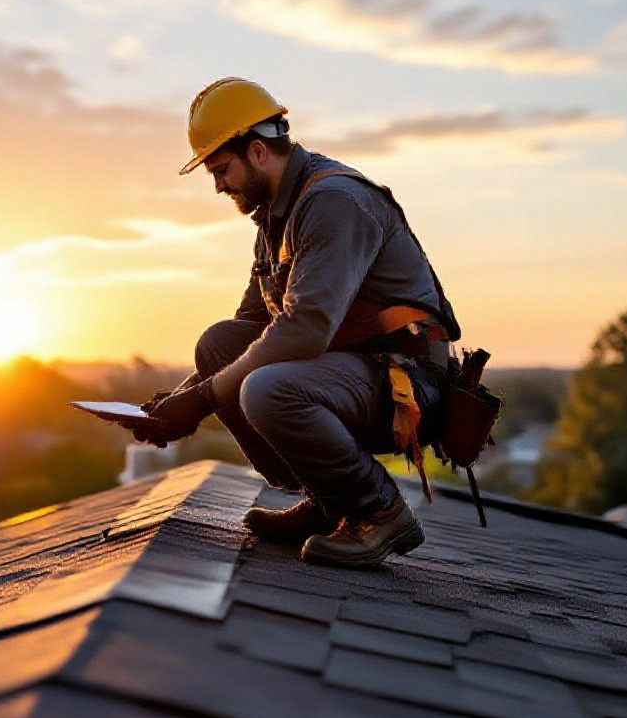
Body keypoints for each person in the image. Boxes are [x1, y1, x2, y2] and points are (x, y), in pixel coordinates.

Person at [134, 77, 461, 568]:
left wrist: (202, 400)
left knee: (267, 390)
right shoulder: (275, 217)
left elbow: (304, 330)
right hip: (349, 371)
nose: (218, 185)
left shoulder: (334, 202)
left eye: (221, 170)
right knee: (218, 344)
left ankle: (378, 509)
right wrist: (178, 403)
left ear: (258, 151)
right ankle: (330, 502)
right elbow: (251, 324)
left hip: (407, 381)